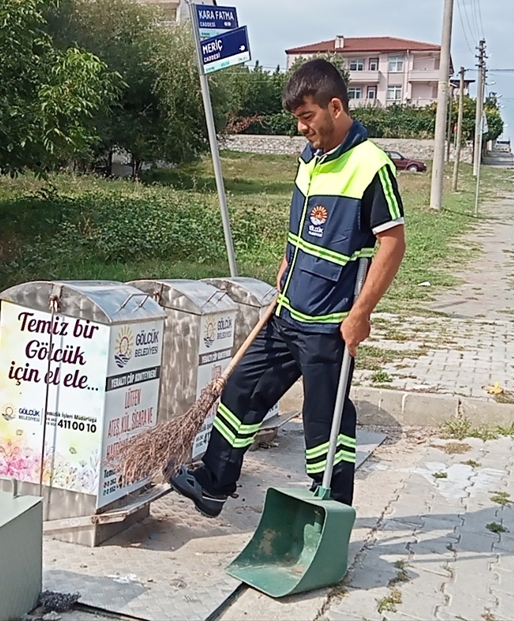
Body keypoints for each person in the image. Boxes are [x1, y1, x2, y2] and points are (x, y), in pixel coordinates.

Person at [169, 59, 406, 515]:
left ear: (335, 107)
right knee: (241, 390)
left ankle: (329, 509)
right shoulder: (310, 159)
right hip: (286, 313)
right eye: (296, 118)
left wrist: (361, 314)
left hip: (329, 326)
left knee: (325, 424)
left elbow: (392, 243)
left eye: (306, 116)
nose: (301, 128)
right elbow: (302, 226)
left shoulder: (371, 165)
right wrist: (285, 263)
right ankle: (215, 483)